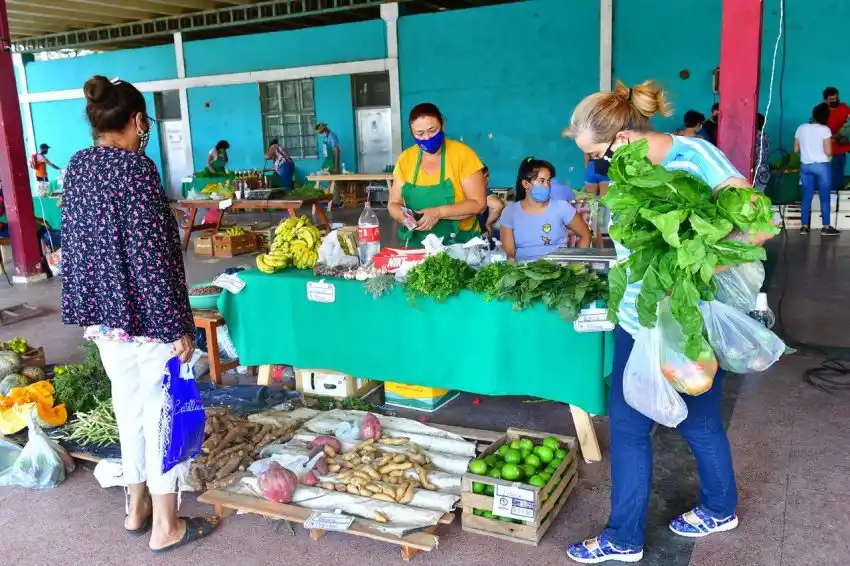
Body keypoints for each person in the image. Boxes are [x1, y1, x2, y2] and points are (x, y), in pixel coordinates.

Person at [562, 80, 774, 564]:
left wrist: (695, 267)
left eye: (597, 154)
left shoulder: (696, 157)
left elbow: (759, 225)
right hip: (635, 319)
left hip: (683, 317)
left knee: (659, 426)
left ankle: (628, 537)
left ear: (620, 138)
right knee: (657, 423)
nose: (599, 165)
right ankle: (714, 510)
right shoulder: (631, 173)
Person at [61, 75, 216, 553]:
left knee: (128, 412)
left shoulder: (78, 166)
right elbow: (151, 257)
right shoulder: (137, 169)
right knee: (163, 415)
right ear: (136, 120)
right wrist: (177, 327)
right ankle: (166, 526)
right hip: (149, 322)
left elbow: (78, 248)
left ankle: (136, 509)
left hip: (106, 320)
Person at [388, 103, 486, 247]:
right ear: (412, 132)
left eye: (432, 130)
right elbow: (393, 203)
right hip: (417, 245)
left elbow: (478, 203)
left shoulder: (463, 155)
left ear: (442, 125)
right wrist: (404, 217)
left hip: (460, 244)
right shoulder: (406, 158)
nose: (427, 138)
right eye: (419, 133)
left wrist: (438, 212)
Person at [500, 157, 591, 261]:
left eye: (548, 181)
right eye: (541, 181)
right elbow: (509, 255)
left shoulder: (562, 208)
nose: (546, 186)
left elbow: (585, 235)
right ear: (526, 184)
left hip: (560, 271)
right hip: (523, 271)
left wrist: (576, 264)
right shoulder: (510, 212)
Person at [795, 103, 838, 236]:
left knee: (806, 196)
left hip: (805, 166)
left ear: (813, 114)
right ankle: (825, 227)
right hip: (821, 167)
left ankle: (804, 227)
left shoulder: (801, 128)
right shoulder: (825, 130)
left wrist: (808, 151)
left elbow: (796, 149)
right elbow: (828, 151)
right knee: (824, 198)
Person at [823, 87, 850, 190]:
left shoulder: (843, 107)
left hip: (841, 147)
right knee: (829, 176)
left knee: (838, 173)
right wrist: (834, 136)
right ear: (825, 100)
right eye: (831, 99)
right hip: (828, 148)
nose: (834, 101)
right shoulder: (822, 111)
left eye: (836, 98)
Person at [478, 166, 506, 235]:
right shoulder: (482, 190)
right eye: (486, 176)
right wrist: (488, 224)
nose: (488, 179)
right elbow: (498, 205)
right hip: (479, 234)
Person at [753, 113, 771, 192]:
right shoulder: (766, 136)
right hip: (763, 172)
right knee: (759, 197)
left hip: (756, 172)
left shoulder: (753, 137)